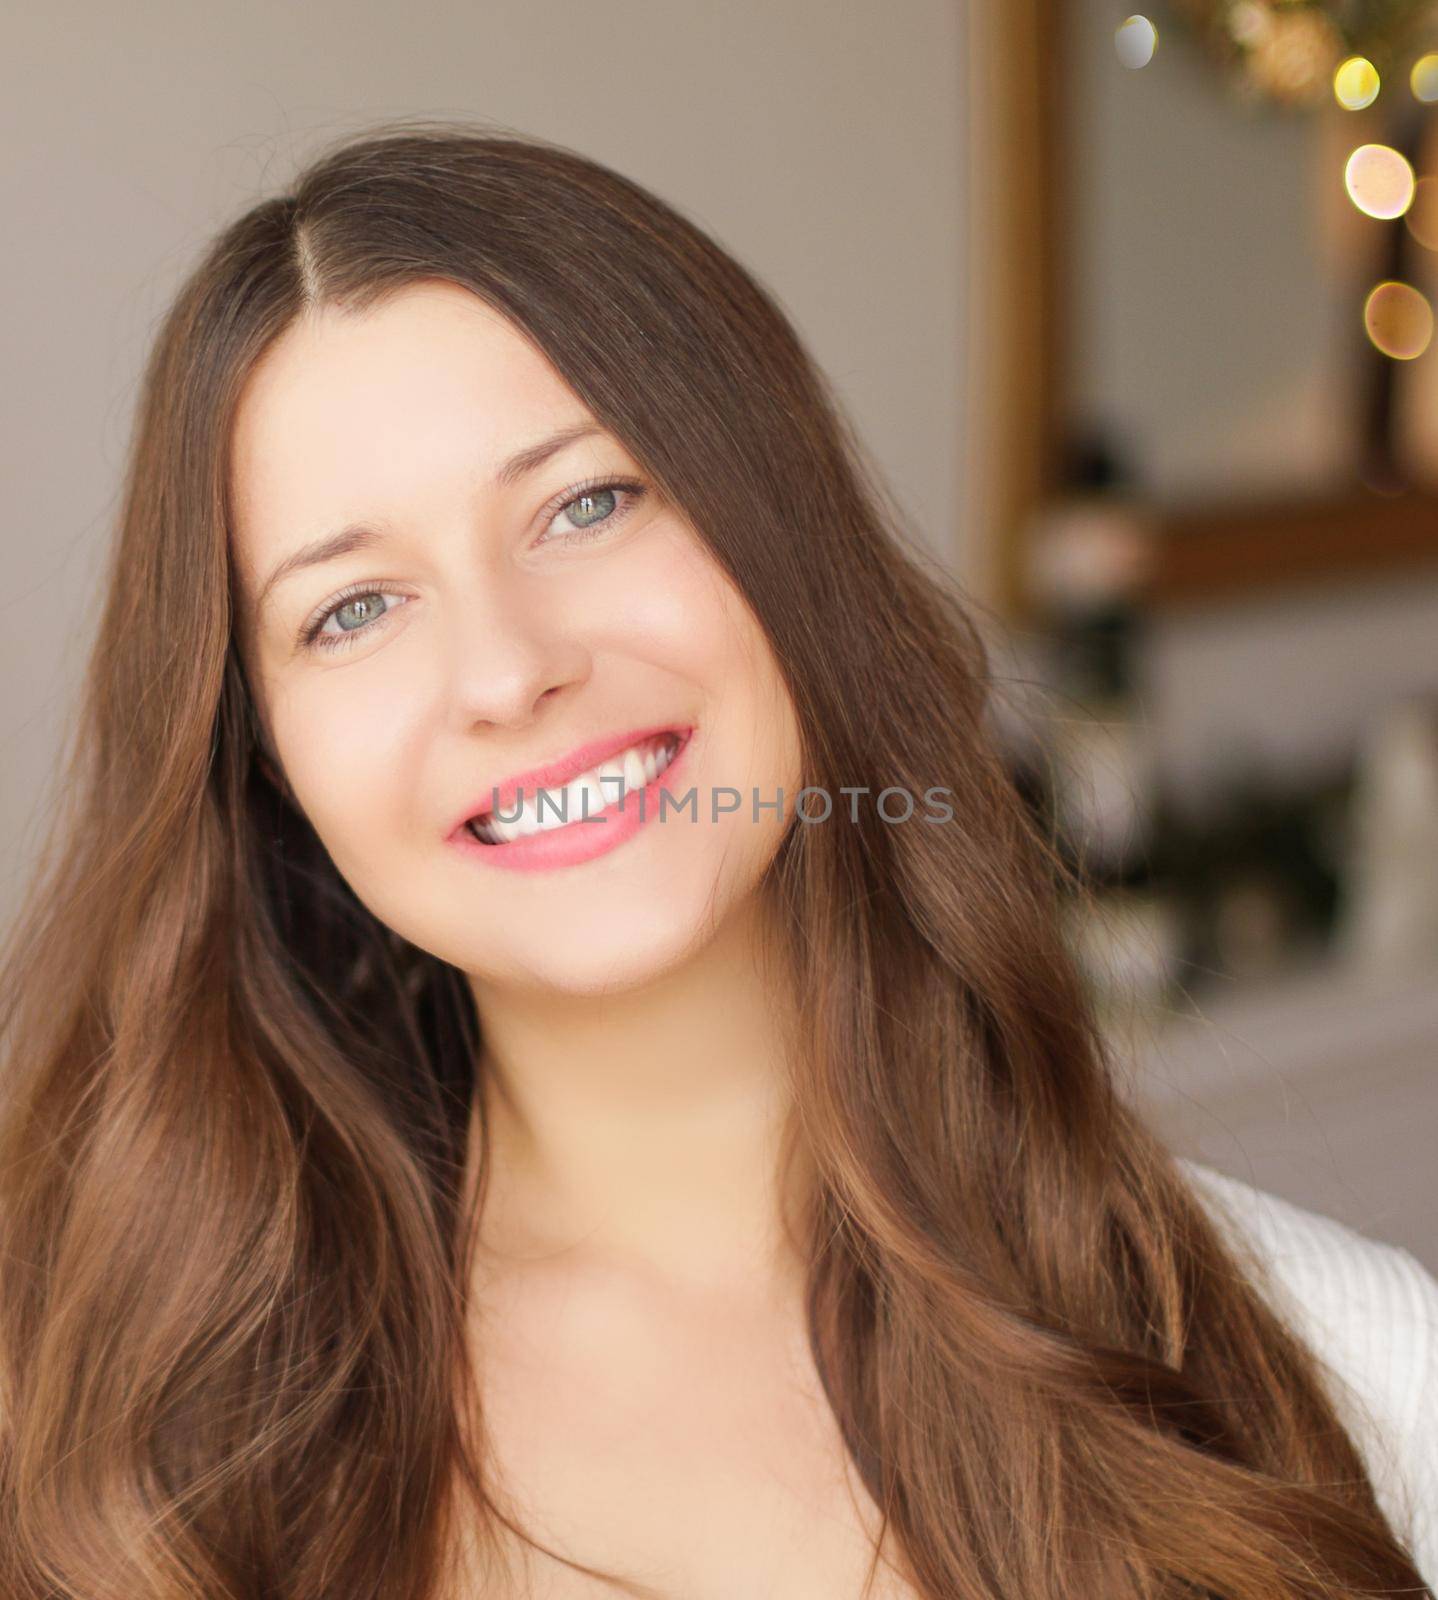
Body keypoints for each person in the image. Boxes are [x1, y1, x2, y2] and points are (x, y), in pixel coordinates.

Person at [0, 118, 1432, 1600]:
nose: (506, 669)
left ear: (780, 532)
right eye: (352, 609)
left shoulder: (1355, 1373)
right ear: (267, 764)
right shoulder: (110, 1441)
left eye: (586, 504)